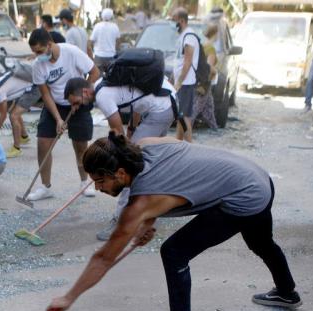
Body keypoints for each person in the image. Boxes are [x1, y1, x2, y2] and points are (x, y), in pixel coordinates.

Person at [45, 134, 301, 311]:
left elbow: (103, 258)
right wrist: (148, 222)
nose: (98, 187)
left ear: (121, 173)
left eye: (100, 181)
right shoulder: (144, 146)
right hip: (257, 178)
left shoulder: (140, 205)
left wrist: (69, 297)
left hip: (243, 197)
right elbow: (173, 170)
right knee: (260, 242)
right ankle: (287, 293)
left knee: (174, 251)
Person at [65, 76, 178, 240]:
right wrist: (133, 126)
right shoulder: (106, 82)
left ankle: (121, 221)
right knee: (149, 160)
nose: (77, 106)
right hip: (168, 103)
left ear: (84, 91)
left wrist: (115, 157)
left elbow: (118, 132)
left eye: (76, 101)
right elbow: (136, 100)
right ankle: (152, 208)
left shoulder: (102, 95)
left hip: (160, 109)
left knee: (127, 167)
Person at [27, 28, 100, 201]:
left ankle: (84, 182)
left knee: (80, 145)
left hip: (78, 102)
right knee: (43, 143)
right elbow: (45, 94)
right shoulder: (38, 66)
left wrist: (83, 95)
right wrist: (58, 119)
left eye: (39, 51)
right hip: (55, 104)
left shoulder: (71, 52)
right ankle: (45, 187)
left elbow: (95, 71)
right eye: (34, 52)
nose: (37, 56)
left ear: (50, 44)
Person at [171, 7, 199, 142]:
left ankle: (189, 146)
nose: (172, 23)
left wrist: (179, 82)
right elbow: (179, 61)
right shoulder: (182, 36)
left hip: (186, 83)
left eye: (173, 20)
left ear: (181, 20)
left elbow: (187, 62)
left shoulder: (189, 36)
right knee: (180, 115)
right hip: (182, 82)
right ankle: (178, 143)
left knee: (184, 116)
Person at [192, 23, 219, 130]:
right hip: (205, 83)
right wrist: (216, 71)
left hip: (198, 80)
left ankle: (215, 129)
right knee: (196, 109)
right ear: (215, 34)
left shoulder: (202, 46)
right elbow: (210, 68)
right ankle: (185, 126)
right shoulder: (211, 49)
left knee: (209, 107)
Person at [89, 9, 120, 73]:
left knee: (98, 77)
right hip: (111, 56)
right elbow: (118, 42)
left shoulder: (97, 26)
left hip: (98, 56)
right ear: (111, 16)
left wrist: (93, 51)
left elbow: (91, 41)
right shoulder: (115, 27)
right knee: (110, 77)